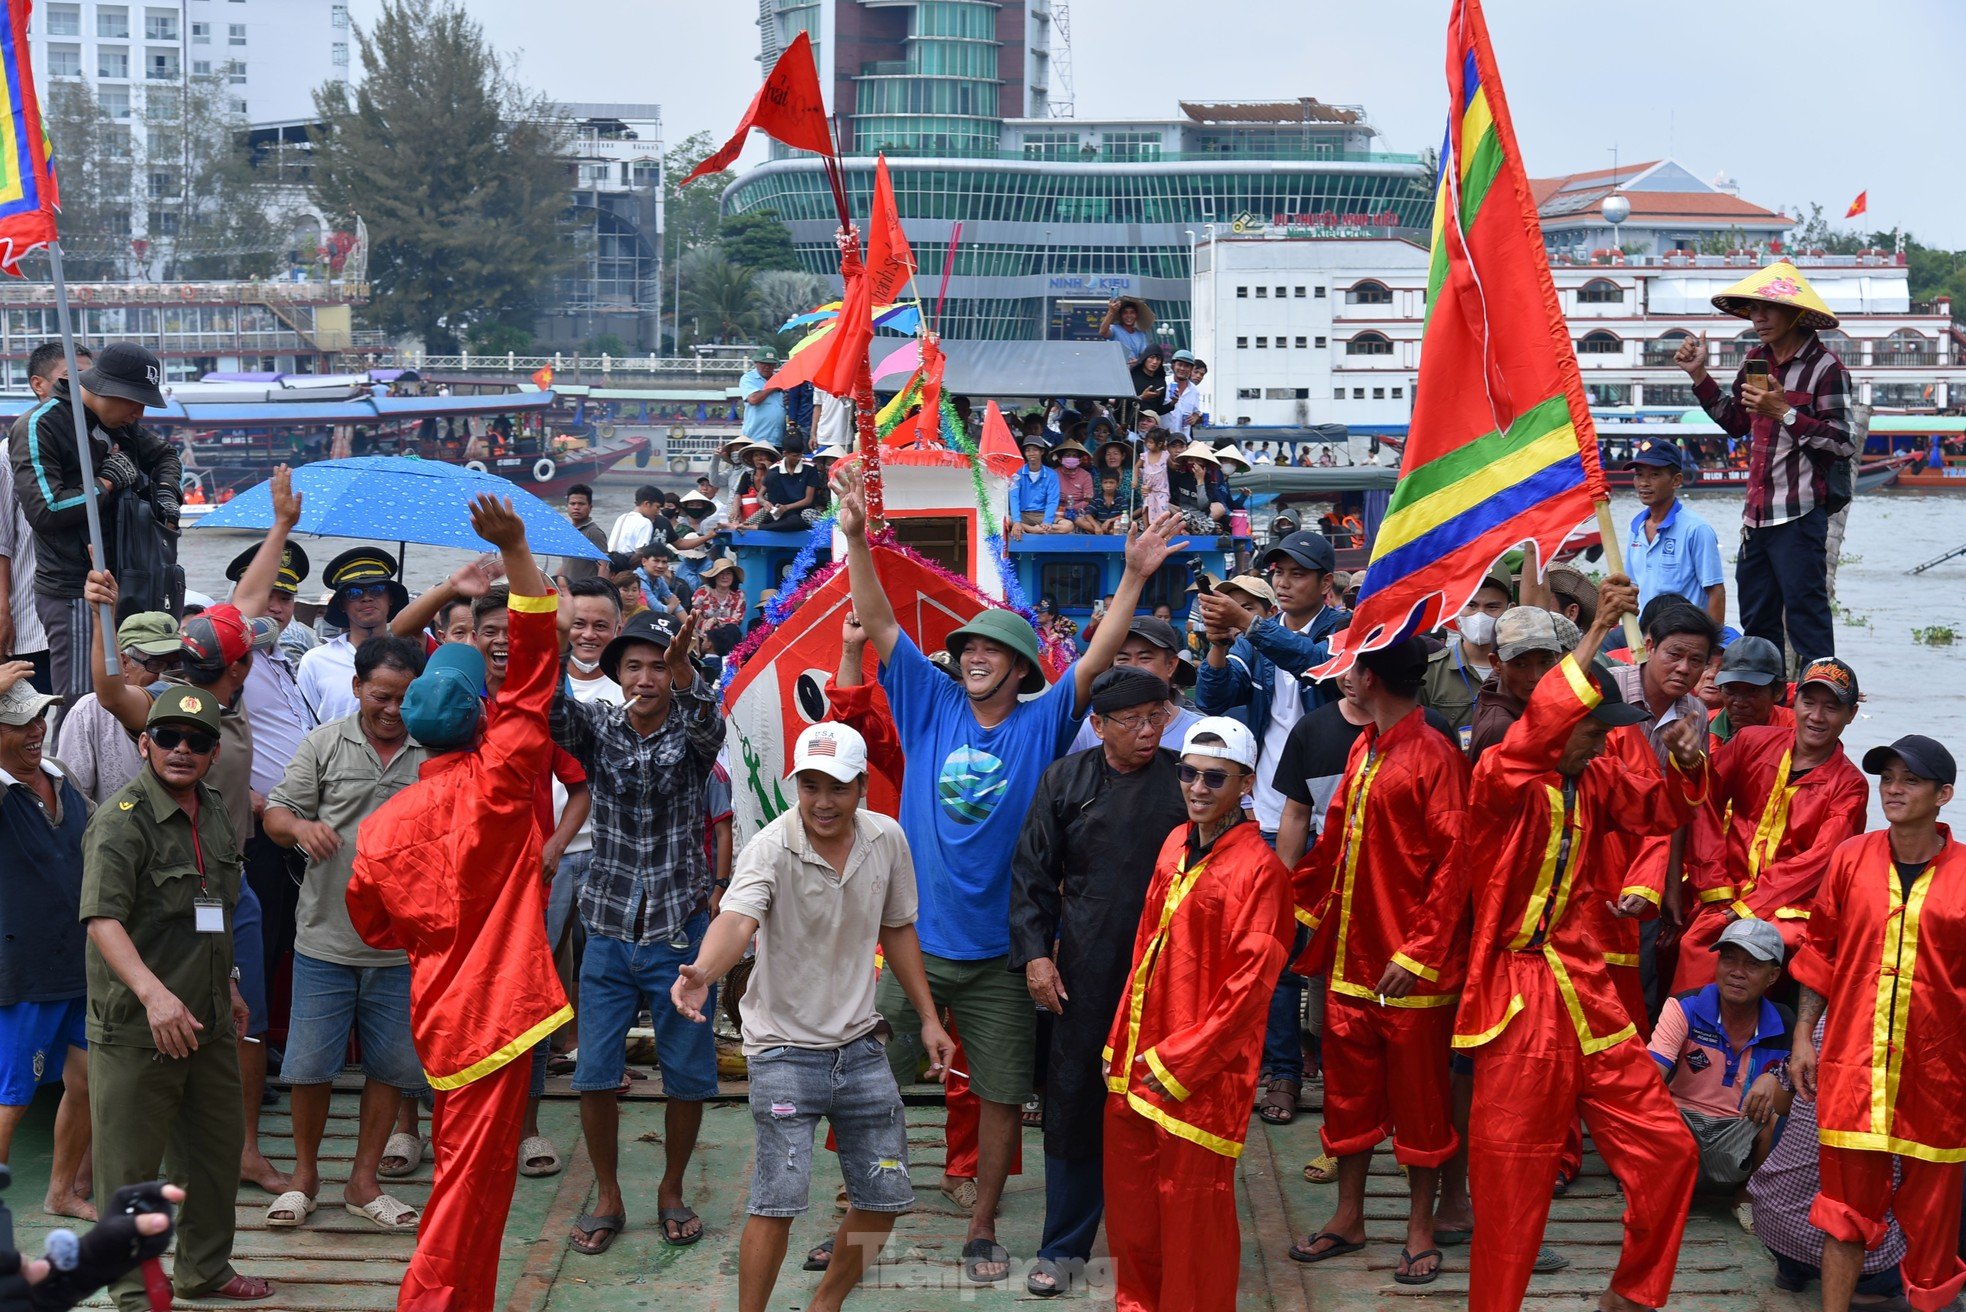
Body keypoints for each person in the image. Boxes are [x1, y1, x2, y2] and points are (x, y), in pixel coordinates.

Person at [831, 460, 1180, 1284]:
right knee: (865, 1088)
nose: (976, 657)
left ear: (1022, 668)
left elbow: (1094, 664)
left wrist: (1131, 576)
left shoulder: (1044, 721)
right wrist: (854, 539)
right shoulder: (930, 701)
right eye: (969, 649)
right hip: (913, 941)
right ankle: (862, 1220)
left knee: (996, 1099)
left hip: (999, 954)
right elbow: (879, 623)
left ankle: (983, 1225)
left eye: (994, 650)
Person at [1383, 573, 1707, 1312]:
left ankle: (1632, 1294)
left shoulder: (1592, 778)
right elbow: (1536, 732)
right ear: (1565, 727)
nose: (1606, 738)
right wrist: (1596, 629)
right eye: (1596, 727)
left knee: (1669, 1151)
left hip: (1588, 993)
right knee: (1510, 1189)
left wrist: (1689, 759)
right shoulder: (1503, 776)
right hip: (1517, 999)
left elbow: (1660, 810)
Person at [344, 496, 572, 1312]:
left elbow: (372, 921)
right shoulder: (504, 777)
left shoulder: (382, 826)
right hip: (501, 1010)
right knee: (469, 1184)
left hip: (440, 1008)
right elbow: (540, 663)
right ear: (481, 716)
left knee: (479, 1174)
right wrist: (514, 551)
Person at [670, 722, 951, 1312]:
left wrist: (929, 1018)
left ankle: (826, 1304)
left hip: (860, 1047)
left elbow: (897, 928)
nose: (824, 801)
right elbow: (737, 921)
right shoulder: (770, 846)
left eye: (839, 787)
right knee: (777, 1201)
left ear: (862, 788)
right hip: (782, 1053)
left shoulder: (887, 839)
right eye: (811, 786)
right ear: (797, 785)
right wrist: (702, 970)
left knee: (885, 1196)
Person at [81, 686, 272, 1306]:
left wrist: (232, 984)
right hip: (140, 1028)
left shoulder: (215, 809)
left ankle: (204, 1271)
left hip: (208, 1018)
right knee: (131, 1172)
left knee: (215, 1157)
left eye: (197, 741)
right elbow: (103, 921)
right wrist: (155, 998)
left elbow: (213, 908)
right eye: (167, 737)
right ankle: (135, 1292)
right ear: (145, 744)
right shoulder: (120, 820)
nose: (181, 750)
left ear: (214, 753)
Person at [1286, 638, 1467, 1284]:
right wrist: (1289, 911)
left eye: (1353, 668)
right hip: (1349, 965)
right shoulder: (1366, 748)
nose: (1346, 677)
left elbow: (1455, 865)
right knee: (1349, 1098)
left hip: (1408, 975)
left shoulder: (1435, 756)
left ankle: (1420, 1228)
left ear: (1369, 677)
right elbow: (1332, 850)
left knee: (1421, 1104)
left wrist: (1419, 954)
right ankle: (1349, 1217)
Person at [1101, 717, 1294, 1312]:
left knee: (1192, 1219)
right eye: (1188, 773)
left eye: (1216, 777)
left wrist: (1184, 1060)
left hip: (1200, 1079)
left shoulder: (1259, 872)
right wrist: (1121, 1045)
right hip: (1138, 1062)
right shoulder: (1173, 844)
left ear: (1246, 783)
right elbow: (1143, 949)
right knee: (1132, 1211)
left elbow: (1249, 990)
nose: (1199, 787)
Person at [1009, 667, 1190, 1297]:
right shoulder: (1067, 780)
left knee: (1163, 1102)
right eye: (1131, 720)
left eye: (1156, 716)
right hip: (1085, 968)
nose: (1147, 731)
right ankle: (1063, 1246)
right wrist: (1036, 956)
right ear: (1098, 726)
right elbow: (1032, 876)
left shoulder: (1184, 782)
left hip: (1170, 973)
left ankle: (1161, 1243)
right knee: (1074, 1099)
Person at [550, 605, 724, 1255]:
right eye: (635, 666)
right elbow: (547, 706)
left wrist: (688, 675)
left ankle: (671, 1189)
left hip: (679, 931)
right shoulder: (596, 726)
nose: (647, 677)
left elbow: (709, 719)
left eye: (658, 666)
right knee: (594, 1073)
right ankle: (609, 1194)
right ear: (616, 674)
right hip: (609, 924)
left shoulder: (694, 732)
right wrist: (542, 619)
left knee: (687, 1076)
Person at [259, 636, 430, 1233]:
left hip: (403, 948)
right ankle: (305, 1178)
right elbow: (275, 812)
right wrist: (301, 827)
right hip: (324, 942)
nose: (392, 709)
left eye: (405, 698)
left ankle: (363, 1182)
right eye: (381, 695)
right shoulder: (325, 744)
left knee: (394, 1067)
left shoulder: (434, 748)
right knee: (309, 1068)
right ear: (357, 688)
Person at [1790, 734, 1966, 1312]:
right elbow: (1821, 954)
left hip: (1939, 1076)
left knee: (1933, 1227)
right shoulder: (1850, 858)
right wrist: (1802, 1039)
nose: (1893, 788)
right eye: (1887, 777)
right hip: (1853, 1064)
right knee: (1843, 1212)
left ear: (1943, 795)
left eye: (1910, 780)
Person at [1194, 529, 1348, 1123]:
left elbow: (1322, 666)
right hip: (1267, 813)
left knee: (1337, 959)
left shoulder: (1344, 629)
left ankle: (1343, 1077)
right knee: (1276, 955)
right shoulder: (1257, 640)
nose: (1283, 582)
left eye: (1297, 573)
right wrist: (1215, 643)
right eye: (1277, 572)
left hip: (1331, 816)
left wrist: (1250, 625)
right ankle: (1283, 1076)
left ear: (1325, 583)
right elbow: (1213, 696)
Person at [1677, 261, 1855, 661]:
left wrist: (1785, 413)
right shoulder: (1757, 360)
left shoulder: (1826, 369)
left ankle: (1816, 709)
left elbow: (1843, 442)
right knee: (1758, 623)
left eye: (1768, 308)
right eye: (1753, 310)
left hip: (1799, 515)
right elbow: (1737, 422)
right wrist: (1699, 375)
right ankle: (1767, 712)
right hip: (1755, 518)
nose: (1758, 318)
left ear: (1795, 313)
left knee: (1807, 620)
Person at [1674, 657, 1866, 991]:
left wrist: (1746, 908)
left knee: (1765, 945)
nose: (1816, 717)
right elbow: (1706, 797)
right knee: (1686, 940)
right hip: (1724, 886)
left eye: (1831, 708)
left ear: (1850, 716)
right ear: (1795, 702)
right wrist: (1713, 884)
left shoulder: (1850, 785)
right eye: (1809, 702)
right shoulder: (1752, 741)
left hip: (1790, 906)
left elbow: (1818, 862)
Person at [9, 343, 179, 706]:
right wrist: (105, 483)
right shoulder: (41, 425)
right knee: (84, 704)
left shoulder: (120, 423)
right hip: (74, 588)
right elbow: (45, 510)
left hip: (130, 578)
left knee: (135, 695)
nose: (140, 412)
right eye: (135, 401)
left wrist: (166, 492)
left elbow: (165, 454)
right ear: (107, 387)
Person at [0, 668, 92, 1221]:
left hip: (83, 962)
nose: (36, 729)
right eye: (18, 721)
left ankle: (61, 1191)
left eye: (40, 715)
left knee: (84, 1081)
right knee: (12, 1097)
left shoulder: (59, 773)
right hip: (26, 967)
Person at [1746, 1016, 1909, 1303]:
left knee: (1801, 1094)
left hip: (1773, 1225)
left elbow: (1782, 1104)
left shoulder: (1820, 1026)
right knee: (1943, 1158)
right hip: (1852, 1246)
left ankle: (1792, 1270)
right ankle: (1866, 1292)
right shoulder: (1910, 1041)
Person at [223, 540, 314, 1043]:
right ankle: (247, 1053)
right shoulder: (233, 664)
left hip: (291, 830)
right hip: (254, 828)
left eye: (286, 598)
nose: (276, 607)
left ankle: (265, 1051)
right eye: (268, 596)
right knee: (252, 945)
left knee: (279, 940)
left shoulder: (282, 662)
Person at [1647, 918, 1792, 1215]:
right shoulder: (1684, 1006)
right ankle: (1657, 1184)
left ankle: (1746, 1197)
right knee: (1649, 1097)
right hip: (1681, 1127)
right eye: (1729, 960)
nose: (1737, 973)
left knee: (1783, 1116)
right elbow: (1650, 1077)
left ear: (1773, 976)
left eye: (1752, 965)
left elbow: (1800, 1091)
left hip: (1738, 1137)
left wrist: (1775, 1079)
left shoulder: (1785, 1023)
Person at [0, 345, 85, 689]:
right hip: (29, 621)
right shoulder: (8, 454)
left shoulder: (98, 447)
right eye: (69, 379)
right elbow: (2, 542)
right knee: (27, 722)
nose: (81, 389)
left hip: (88, 615)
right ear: (39, 384)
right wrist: (2, 611)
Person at [55, 612, 176, 805]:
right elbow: (74, 798)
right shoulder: (88, 713)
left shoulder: (188, 702)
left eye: (175, 665)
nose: (164, 677)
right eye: (156, 664)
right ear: (124, 663)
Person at [296, 548, 410, 722]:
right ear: (341, 604)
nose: (366, 598)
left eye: (377, 589)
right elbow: (304, 723)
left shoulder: (411, 655)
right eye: (354, 593)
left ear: (391, 598)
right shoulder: (315, 661)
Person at [1623, 440, 1726, 625]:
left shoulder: (1696, 530)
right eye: (1639, 475)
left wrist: (1711, 647)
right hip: (1644, 638)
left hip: (1683, 636)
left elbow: (1716, 592)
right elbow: (1632, 587)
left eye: (1654, 475)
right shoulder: (1635, 528)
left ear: (1676, 480)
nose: (1644, 483)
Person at [1065, 617, 1198, 753]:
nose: (1132, 668)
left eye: (1145, 658)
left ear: (1170, 665)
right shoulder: (1089, 730)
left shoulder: (1198, 731)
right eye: (1123, 659)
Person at [1467, 607, 1580, 764]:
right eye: (1520, 664)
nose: (1535, 677)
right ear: (1496, 663)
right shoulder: (1501, 729)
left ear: (1557, 658)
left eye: (1545, 662)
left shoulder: (1504, 691)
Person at [1420, 566, 1512, 746]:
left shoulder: (1521, 671)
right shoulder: (1430, 674)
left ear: (1510, 610)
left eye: (1492, 607)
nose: (1479, 615)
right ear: (1455, 609)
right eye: (1471, 605)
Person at [1708, 635, 1793, 748]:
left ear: (1778, 692)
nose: (1740, 703)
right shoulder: (1700, 728)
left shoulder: (1797, 731)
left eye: (1753, 691)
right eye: (1730, 689)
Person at [758, 444, 826, 532]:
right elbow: (760, 496)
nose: (799, 458)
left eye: (800, 455)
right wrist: (765, 502)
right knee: (762, 514)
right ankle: (747, 526)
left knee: (796, 520)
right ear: (785, 454)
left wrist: (786, 507)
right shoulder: (774, 469)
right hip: (779, 512)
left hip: (800, 511)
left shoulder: (810, 467)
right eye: (795, 455)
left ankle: (759, 527)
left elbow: (808, 500)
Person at [1006, 434, 1062, 539]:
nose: (1031, 453)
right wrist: (1017, 521)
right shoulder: (1016, 473)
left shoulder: (1052, 474)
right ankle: (1033, 529)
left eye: (1035, 450)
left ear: (1042, 452)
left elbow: (1053, 501)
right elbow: (1014, 498)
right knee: (1006, 519)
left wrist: (1047, 521)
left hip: (1042, 515)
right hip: (1023, 515)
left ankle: (1030, 528)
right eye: (1028, 450)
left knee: (1068, 525)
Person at [559, 484, 610, 583]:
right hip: (569, 591)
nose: (576, 507)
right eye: (572, 504)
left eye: (581, 504)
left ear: (590, 507)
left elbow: (603, 566)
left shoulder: (593, 532)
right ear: (567, 506)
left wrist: (600, 591)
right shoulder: (569, 531)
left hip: (585, 592)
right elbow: (566, 564)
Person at [740, 347, 787, 451]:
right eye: (763, 363)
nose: (767, 367)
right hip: (755, 439)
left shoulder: (781, 381)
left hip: (778, 439)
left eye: (771, 364)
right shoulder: (748, 378)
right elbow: (753, 399)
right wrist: (774, 386)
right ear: (756, 363)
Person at [690, 558, 748, 631]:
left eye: (728, 573)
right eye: (721, 573)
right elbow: (695, 617)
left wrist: (715, 620)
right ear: (714, 576)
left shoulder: (739, 595)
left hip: (728, 636)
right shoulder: (702, 592)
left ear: (734, 577)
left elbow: (737, 619)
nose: (724, 577)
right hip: (704, 634)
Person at [606, 485, 664, 555]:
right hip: (629, 563)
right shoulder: (645, 522)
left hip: (613, 560)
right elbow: (640, 553)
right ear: (647, 504)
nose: (658, 512)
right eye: (657, 507)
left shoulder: (622, 517)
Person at [1049, 438, 1094, 529]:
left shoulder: (1085, 476)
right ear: (1060, 459)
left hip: (1079, 513)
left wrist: (1071, 509)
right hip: (1056, 512)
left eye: (1074, 456)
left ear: (1079, 460)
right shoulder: (1053, 474)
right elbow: (1047, 497)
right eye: (1068, 455)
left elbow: (1088, 500)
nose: (1071, 458)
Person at [1100, 296, 1152, 367]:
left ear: (1136, 315)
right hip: (1116, 368)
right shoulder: (1115, 329)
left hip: (1133, 372)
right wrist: (1111, 312)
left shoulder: (1141, 335)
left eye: (1132, 312)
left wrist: (1138, 361)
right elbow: (1103, 332)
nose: (1129, 316)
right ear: (1121, 315)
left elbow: (1144, 355)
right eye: (1125, 313)